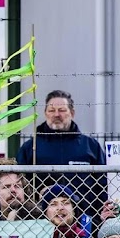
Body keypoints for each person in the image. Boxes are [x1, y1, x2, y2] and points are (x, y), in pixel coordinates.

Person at [16, 90, 106, 220]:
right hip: (41, 220)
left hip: (86, 219)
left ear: (72, 113)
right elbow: (21, 184)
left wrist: (98, 217)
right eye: (51, 110)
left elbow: (103, 184)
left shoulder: (90, 146)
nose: (56, 115)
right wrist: (36, 194)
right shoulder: (31, 147)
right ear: (45, 113)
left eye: (62, 110)